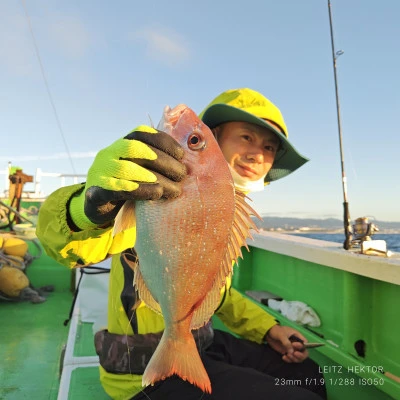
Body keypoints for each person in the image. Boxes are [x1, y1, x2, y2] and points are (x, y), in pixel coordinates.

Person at [36, 88, 327, 400]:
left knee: (308, 374)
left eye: (269, 147)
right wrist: (87, 207)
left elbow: (217, 292)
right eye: (246, 137)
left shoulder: (229, 209)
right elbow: (66, 245)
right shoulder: (152, 189)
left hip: (199, 341)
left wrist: (268, 329)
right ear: (215, 137)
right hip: (140, 370)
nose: (258, 153)